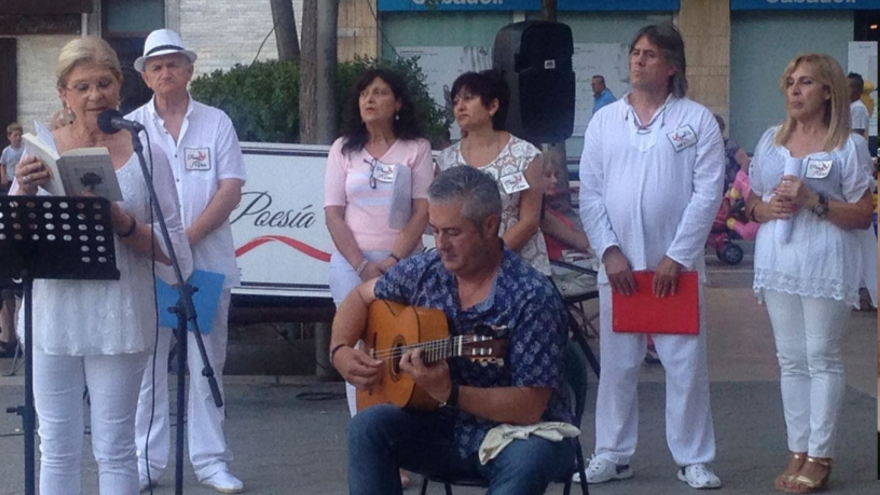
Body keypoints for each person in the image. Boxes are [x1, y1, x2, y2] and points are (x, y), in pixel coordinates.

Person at [9, 36, 189, 494]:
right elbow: (13, 244)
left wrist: (121, 221)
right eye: (82, 86)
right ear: (64, 93)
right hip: (53, 312)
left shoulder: (146, 152)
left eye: (104, 84)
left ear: (120, 86)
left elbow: (174, 249)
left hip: (119, 314)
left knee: (115, 447)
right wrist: (22, 193)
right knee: (56, 445)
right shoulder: (40, 149)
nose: (95, 96)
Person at [331, 165, 574, 495]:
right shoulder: (426, 271)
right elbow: (361, 295)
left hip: (517, 435)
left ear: (490, 225)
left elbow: (530, 406)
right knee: (367, 427)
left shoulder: (531, 296)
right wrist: (340, 350)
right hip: (442, 428)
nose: (441, 244)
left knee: (530, 457)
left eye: (453, 232)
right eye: (436, 231)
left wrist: (450, 392)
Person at [578, 24, 725, 489]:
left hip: (674, 268)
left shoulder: (696, 119)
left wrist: (678, 255)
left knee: (685, 364)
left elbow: (708, 193)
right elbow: (591, 194)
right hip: (619, 268)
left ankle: (693, 457)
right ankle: (612, 452)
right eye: (635, 53)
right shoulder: (605, 121)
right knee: (618, 366)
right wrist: (609, 251)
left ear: (671, 65)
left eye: (649, 54)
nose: (638, 61)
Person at [745, 53, 874, 494]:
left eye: (805, 83)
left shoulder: (846, 147)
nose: (794, 91)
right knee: (790, 359)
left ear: (827, 91)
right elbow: (752, 203)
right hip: (779, 260)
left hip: (824, 260)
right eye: (790, 83)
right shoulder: (771, 142)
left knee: (821, 355)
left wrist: (813, 201)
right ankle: (797, 447)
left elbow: (861, 213)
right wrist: (767, 207)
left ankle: (821, 453)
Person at [127, 29, 246, 494]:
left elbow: (230, 190)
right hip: (147, 263)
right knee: (149, 366)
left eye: (173, 64)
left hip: (207, 261)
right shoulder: (131, 127)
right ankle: (145, 461)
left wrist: (183, 240)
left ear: (189, 70)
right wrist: (162, 247)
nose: (165, 72)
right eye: (155, 67)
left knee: (206, 362)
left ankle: (212, 461)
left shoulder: (217, 122)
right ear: (145, 76)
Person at [324, 67, 433, 488]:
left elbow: (423, 210)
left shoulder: (416, 149)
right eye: (365, 93)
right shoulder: (342, 150)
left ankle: (401, 447)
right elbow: (333, 212)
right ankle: (367, 449)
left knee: (400, 346)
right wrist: (362, 265)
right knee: (355, 350)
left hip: (402, 263)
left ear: (398, 103)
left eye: (381, 92)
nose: (370, 100)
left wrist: (391, 260)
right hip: (351, 264)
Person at [436, 70, 550, 276]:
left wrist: (486, 258)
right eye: (456, 101)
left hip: (520, 269)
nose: (460, 106)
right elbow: (438, 217)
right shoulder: (446, 161)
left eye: (469, 98)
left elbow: (530, 221)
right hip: (464, 272)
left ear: (492, 106)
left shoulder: (524, 154)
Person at [1, 122, 24, 191]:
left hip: (21, 179)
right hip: (10, 180)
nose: (18, 137)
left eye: (20, 135)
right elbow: (3, 164)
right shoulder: (6, 151)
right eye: (15, 135)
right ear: (9, 137)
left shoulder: (24, 149)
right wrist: (3, 176)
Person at [847, 73, 869, 138]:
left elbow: (857, 134)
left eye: (849, 86)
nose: (845, 89)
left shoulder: (858, 108)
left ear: (859, 90)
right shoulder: (849, 106)